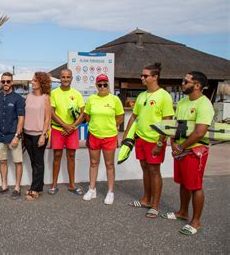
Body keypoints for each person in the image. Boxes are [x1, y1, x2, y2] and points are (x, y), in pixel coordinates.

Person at [161, 71, 214, 236]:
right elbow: (177, 125)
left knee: (195, 186)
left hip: (195, 150)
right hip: (182, 148)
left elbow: (199, 132)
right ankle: (182, 212)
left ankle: (196, 222)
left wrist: (181, 146)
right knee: (184, 183)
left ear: (197, 85)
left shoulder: (204, 104)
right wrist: (173, 143)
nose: (182, 83)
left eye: (186, 81)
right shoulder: (183, 102)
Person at [123, 62, 174, 218]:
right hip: (141, 139)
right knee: (145, 168)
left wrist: (160, 142)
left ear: (155, 77)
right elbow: (134, 116)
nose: (142, 78)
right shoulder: (141, 95)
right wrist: (126, 135)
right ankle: (146, 199)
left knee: (154, 171)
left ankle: (155, 205)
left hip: (154, 140)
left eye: (145, 76)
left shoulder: (164, 96)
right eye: (142, 75)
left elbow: (168, 120)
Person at [83, 74, 124, 204]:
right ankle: (92, 189)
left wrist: (110, 126)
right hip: (94, 135)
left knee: (109, 164)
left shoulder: (115, 99)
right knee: (94, 163)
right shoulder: (91, 99)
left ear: (108, 85)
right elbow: (87, 116)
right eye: (99, 85)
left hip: (109, 136)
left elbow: (120, 117)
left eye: (105, 84)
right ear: (96, 86)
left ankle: (110, 191)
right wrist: (96, 126)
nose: (102, 87)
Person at [49, 69, 85, 195]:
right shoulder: (54, 93)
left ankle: (72, 184)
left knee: (71, 156)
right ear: (60, 78)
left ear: (71, 78)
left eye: (68, 77)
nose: (65, 79)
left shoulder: (77, 94)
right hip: (58, 129)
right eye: (63, 77)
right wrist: (65, 126)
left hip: (72, 130)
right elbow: (51, 113)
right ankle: (54, 184)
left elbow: (83, 113)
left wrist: (72, 126)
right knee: (57, 156)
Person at [0, 72, 26, 199]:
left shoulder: (18, 99)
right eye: (3, 81)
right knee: (3, 161)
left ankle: (17, 187)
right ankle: (4, 185)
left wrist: (17, 136)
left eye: (8, 81)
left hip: (13, 136)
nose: (6, 83)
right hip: (0, 136)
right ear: (1, 82)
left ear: (12, 82)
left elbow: (21, 119)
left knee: (18, 162)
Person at [23, 72, 52, 201]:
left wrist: (43, 135)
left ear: (41, 83)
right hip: (27, 134)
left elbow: (47, 118)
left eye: (35, 80)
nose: (32, 82)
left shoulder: (46, 98)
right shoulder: (28, 97)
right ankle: (38, 187)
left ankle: (34, 189)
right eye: (32, 80)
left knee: (39, 162)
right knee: (33, 162)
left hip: (39, 135)